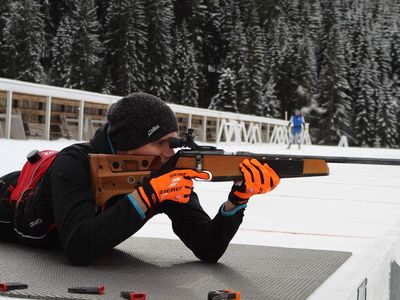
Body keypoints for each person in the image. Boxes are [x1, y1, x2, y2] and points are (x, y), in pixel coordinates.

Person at [0, 93, 280, 266]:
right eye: (161, 143)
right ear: (128, 143)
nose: (169, 153)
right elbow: (78, 247)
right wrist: (148, 196)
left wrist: (237, 200)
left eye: (173, 143)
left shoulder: (161, 174)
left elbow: (208, 248)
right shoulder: (73, 164)